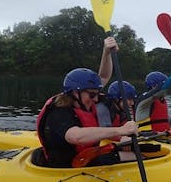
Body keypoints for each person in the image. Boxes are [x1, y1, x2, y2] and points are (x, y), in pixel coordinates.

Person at [35, 37, 138, 168]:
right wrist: (120, 130)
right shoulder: (58, 111)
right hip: (66, 167)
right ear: (75, 93)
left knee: (143, 150)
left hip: (86, 156)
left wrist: (106, 52)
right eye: (92, 94)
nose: (96, 99)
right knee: (133, 157)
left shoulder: (85, 100)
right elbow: (76, 137)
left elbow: (104, 77)